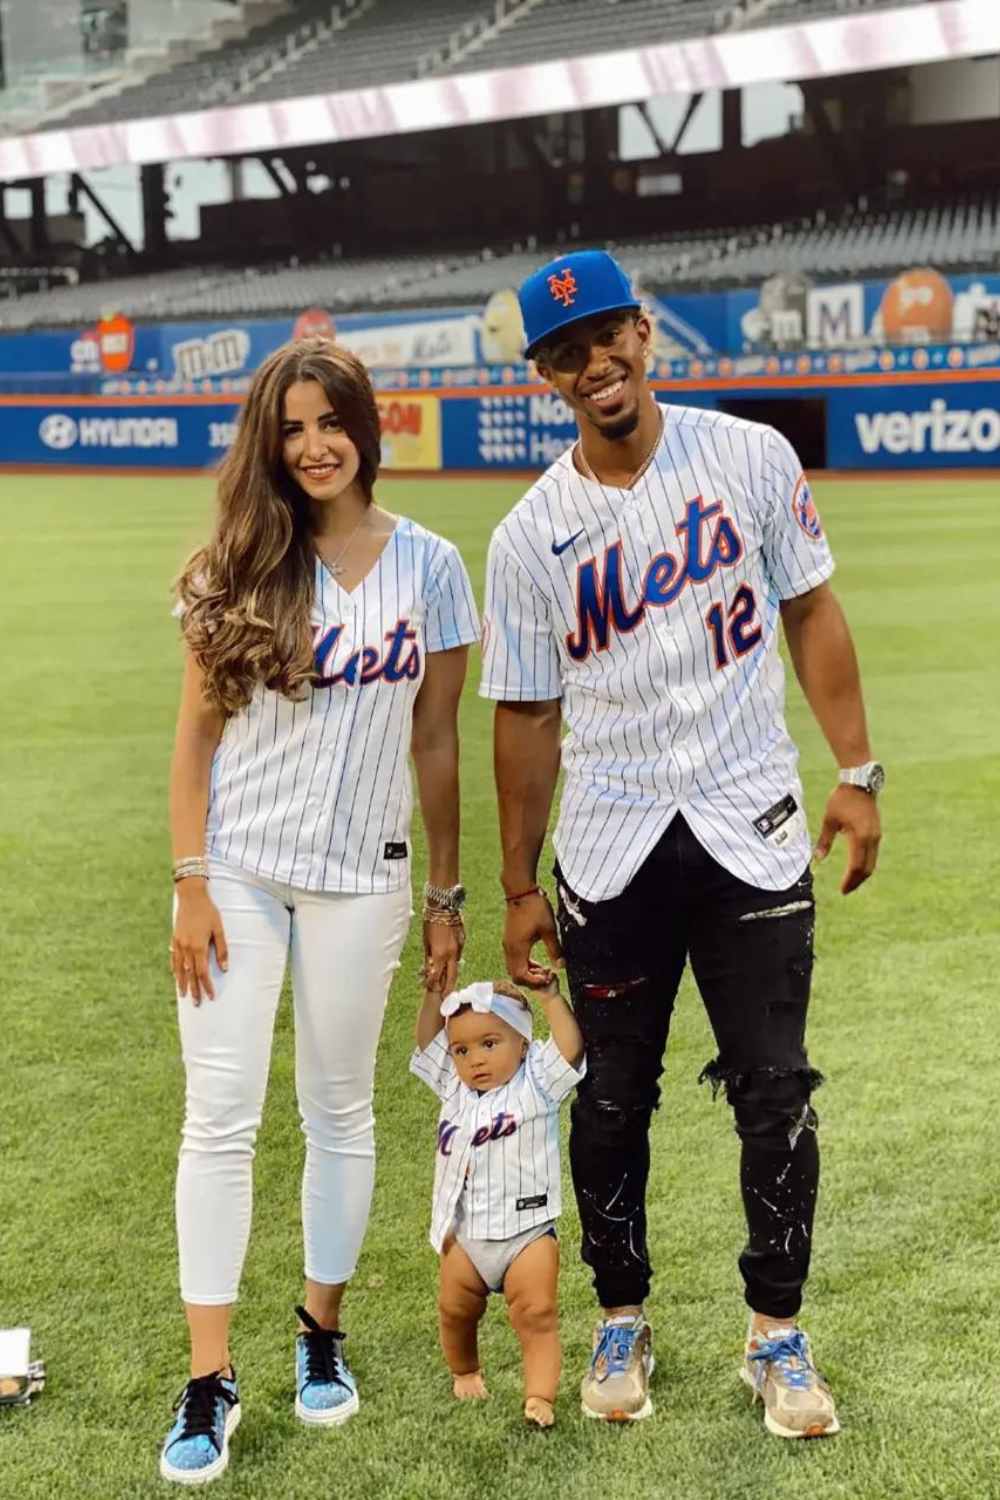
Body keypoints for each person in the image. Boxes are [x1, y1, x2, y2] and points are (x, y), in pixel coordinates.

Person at [480, 249, 883, 1436]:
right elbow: (524, 715)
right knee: (610, 1099)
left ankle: (776, 1335)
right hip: (608, 843)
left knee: (774, 1089)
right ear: (547, 377)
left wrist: (855, 771)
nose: (593, 363)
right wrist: (515, 886)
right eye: (565, 351)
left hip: (749, 821)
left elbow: (809, 605)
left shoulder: (749, 457)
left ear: (643, 334)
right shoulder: (528, 535)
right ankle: (621, 1315)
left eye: (607, 336)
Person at [162, 337, 479, 1484]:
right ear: (268, 438)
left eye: (328, 421)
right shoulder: (232, 564)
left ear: (365, 425)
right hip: (240, 867)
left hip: (366, 871)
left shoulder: (435, 564)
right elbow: (195, 742)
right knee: (221, 1111)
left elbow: (437, 742)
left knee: (341, 1108)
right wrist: (190, 879)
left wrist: (447, 898)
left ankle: (318, 1337)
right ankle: (209, 1379)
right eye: (289, 428)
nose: (311, 446)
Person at [411, 977, 584, 1427]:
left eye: (489, 1043)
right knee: (454, 1310)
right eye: (463, 1050)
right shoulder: (453, 1086)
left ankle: (540, 1398)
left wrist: (549, 998)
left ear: (524, 1043)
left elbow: (569, 1048)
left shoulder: (537, 1081)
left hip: (528, 1233)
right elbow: (429, 1041)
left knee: (537, 1313)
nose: (475, 1059)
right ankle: (465, 1369)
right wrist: (433, 995)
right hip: (465, 1235)